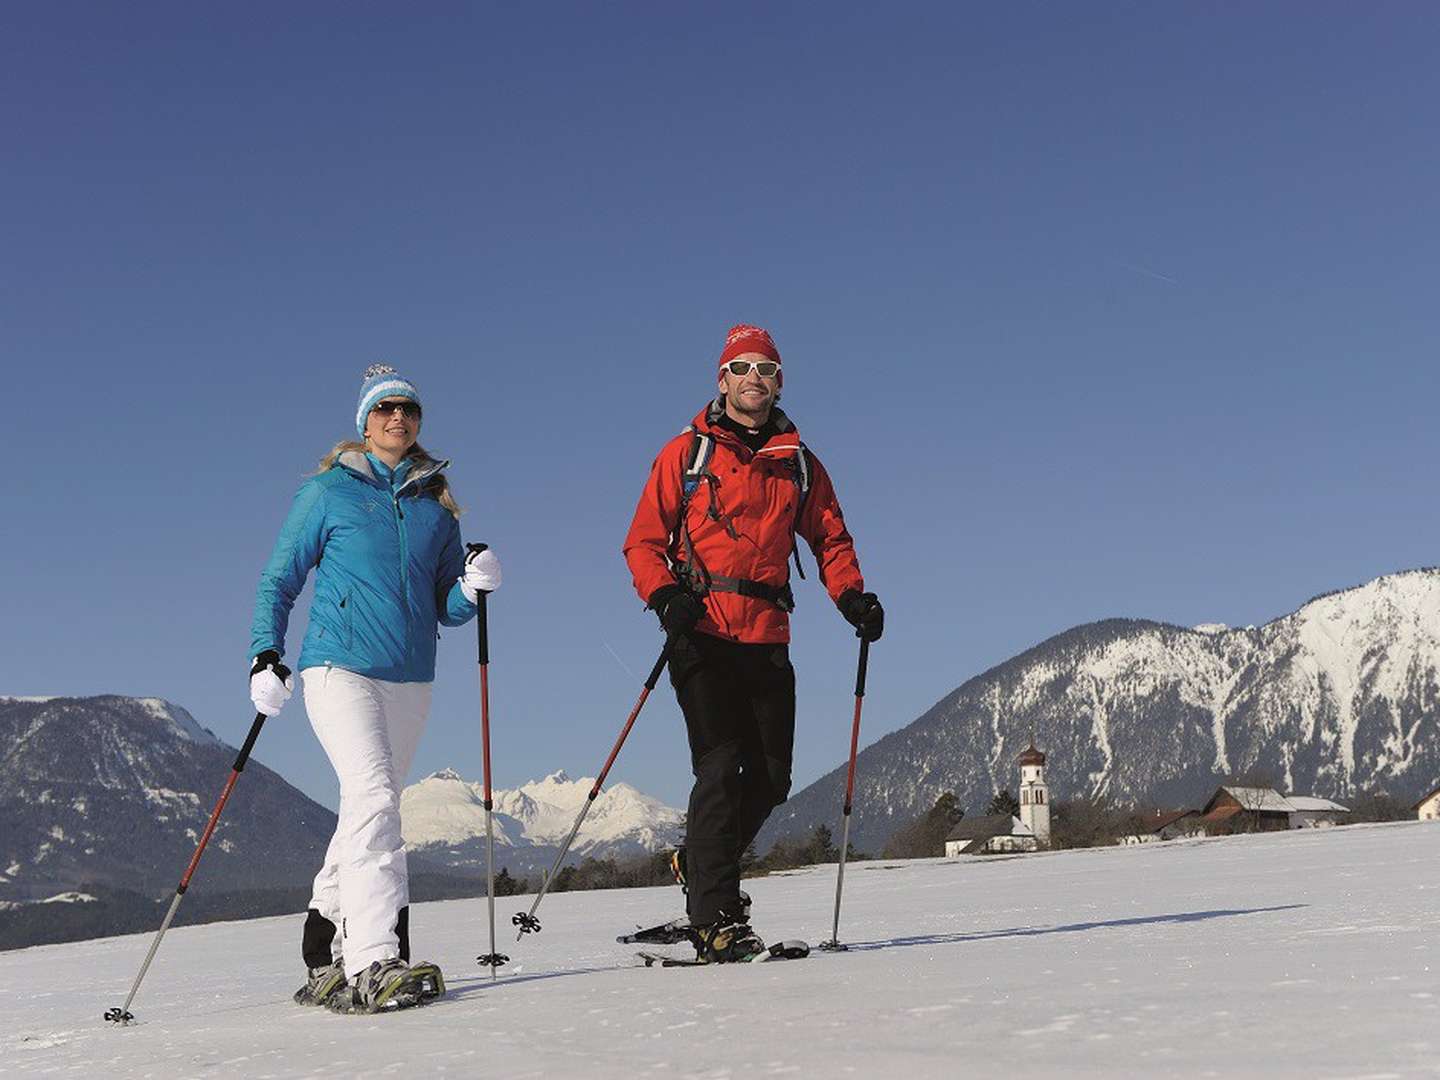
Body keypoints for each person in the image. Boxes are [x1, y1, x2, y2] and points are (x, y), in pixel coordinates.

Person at [623, 324, 883, 962]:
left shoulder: (799, 462)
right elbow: (642, 541)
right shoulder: (685, 454)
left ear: (779, 382)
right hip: (701, 630)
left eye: (766, 369)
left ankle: (699, 861)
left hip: (766, 633)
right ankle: (715, 917)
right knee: (719, 767)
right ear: (722, 380)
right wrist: (664, 596)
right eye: (741, 368)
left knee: (769, 777)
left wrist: (852, 595)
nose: (754, 380)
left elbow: (830, 538)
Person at [249, 363, 502, 1012]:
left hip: (411, 678)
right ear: (364, 422)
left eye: (408, 410)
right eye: (385, 409)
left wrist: (472, 588)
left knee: (371, 807)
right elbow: (279, 578)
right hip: (338, 668)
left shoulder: (434, 503)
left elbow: (444, 605)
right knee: (374, 801)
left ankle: (323, 942)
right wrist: (264, 656)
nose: (398, 418)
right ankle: (373, 959)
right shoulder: (328, 492)